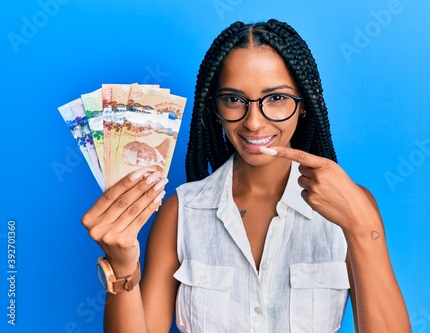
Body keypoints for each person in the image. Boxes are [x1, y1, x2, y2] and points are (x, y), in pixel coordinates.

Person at [82, 19, 411, 332]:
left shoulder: (352, 205)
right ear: (215, 108)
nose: (254, 122)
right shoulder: (181, 213)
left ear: (305, 104)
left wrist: (362, 228)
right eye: (234, 100)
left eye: (277, 98)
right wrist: (121, 268)